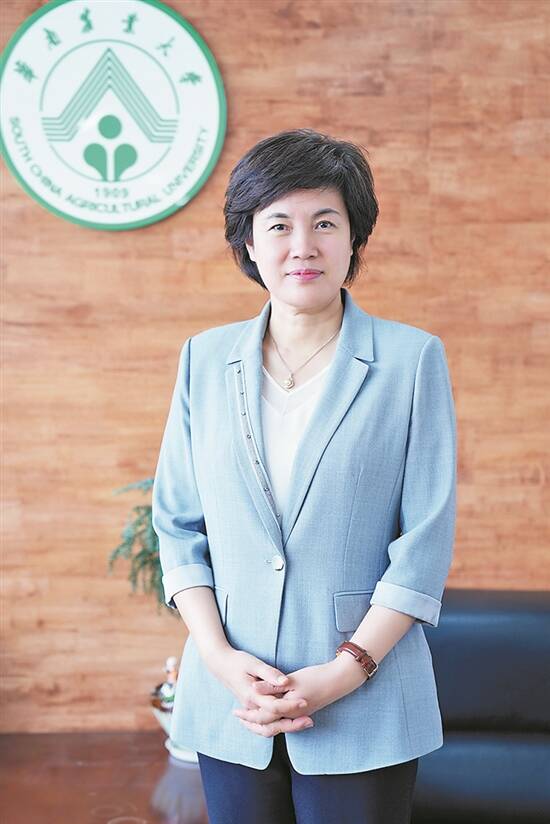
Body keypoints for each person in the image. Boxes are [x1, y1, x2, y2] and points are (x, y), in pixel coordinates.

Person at [151, 128, 457, 823]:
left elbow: (424, 544)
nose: (302, 246)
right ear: (249, 242)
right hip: (233, 703)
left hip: (366, 702)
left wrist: (344, 671)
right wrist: (220, 659)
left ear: (354, 239)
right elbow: (177, 525)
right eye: (279, 225)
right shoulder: (204, 359)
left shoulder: (411, 361)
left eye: (324, 223)